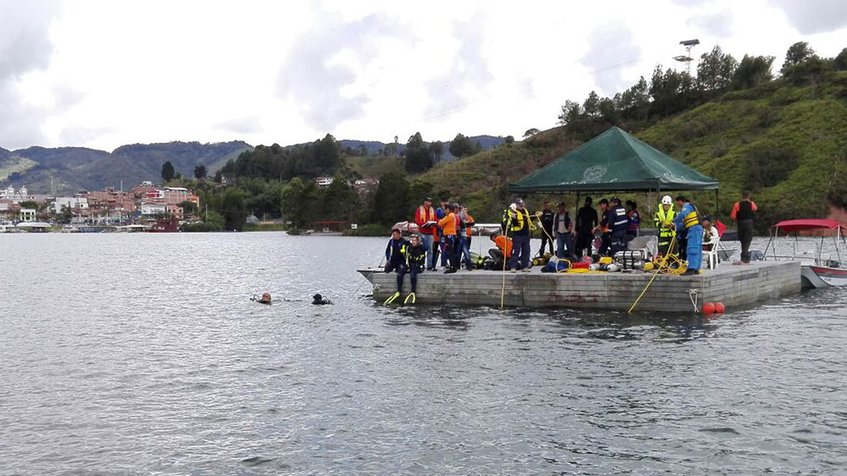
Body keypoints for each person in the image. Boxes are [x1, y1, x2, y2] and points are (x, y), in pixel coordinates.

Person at [673, 195, 702, 275]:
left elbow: (683, 215)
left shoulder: (687, 206)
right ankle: (696, 268)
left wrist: (673, 221)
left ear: (680, 201)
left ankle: (691, 268)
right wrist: (675, 227)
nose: (678, 205)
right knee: (697, 248)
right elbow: (684, 224)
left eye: (677, 203)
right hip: (696, 228)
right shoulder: (693, 207)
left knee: (692, 247)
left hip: (694, 228)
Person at [506, 198, 535, 272]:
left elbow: (529, 220)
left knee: (526, 251)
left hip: (526, 234)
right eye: (520, 205)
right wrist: (513, 218)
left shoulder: (525, 211)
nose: (521, 206)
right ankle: (513, 266)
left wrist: (536, 216)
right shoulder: (513, 212)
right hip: (518, 234)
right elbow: (510, 222)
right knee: (516, 251)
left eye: (522, 204)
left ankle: (524, 266)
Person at [730, 191, 758, 264]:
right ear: (749, 196)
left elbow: (733, 216)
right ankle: (744, 257)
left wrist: (737, 218)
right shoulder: (751, 203)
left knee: (742, 239)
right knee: (747, 239)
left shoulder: (737, 204)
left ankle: (744, 256)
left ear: (742, 196)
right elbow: (755, 209)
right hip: (749, 223)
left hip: (741, 223)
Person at [383, 228, 410, 303]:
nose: (393, 236)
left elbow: (410, 251)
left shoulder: (404, 242)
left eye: (394, 235)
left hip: (401, 261)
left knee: (399, 274)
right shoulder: (391, 241)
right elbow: (387, 251)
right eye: (393, 235)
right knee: (386, 270)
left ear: (399, 234)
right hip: (393, 261)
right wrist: (388, 260)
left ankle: (399, 290)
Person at [400, 234, 426, 304]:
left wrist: (422, 239)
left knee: (412, 275)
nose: (413, 242)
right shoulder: (409, 248)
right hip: (409, 265)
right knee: (400, 274)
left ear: (418, 242)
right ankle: (399, 290)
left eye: (415, 241)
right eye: (412, 240)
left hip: (417, 265)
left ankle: (413, 291)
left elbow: (426, 248)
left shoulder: (421, 248)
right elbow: (403, 244)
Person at [414, 197, 437, 270]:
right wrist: (425, 223)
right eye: (428, 201)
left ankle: (429, 266)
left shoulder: (433, 210)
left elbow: (436, 220)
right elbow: (417, 221)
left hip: (430, 233)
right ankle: (421, 264)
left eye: (430, 201)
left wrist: (433, 223)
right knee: (422, 249)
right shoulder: (419, 210)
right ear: (424, 202)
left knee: (430, 250)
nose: (430, 203)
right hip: (422, 232)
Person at [437, 203, 460, 273]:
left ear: (448, 209)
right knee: (451, 251)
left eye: (445, 210)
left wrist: (440, 221)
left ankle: (452, 266)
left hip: (449, 235)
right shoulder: (452, 215)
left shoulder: (449, 216)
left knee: (450, 252)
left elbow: (440, 223)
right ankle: (453, 266)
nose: (444, 211)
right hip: (451, 234)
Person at [458, 205, 475, 270]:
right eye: (463, 210)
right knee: (459, 251)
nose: (465, 211)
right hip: (462, 235)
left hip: (467, 236)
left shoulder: (468, 217)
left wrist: (467, 222)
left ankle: (468, 265)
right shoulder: (458, 216)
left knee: (466, 250)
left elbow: (472, 223)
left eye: (466, 210)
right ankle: (458, 264)